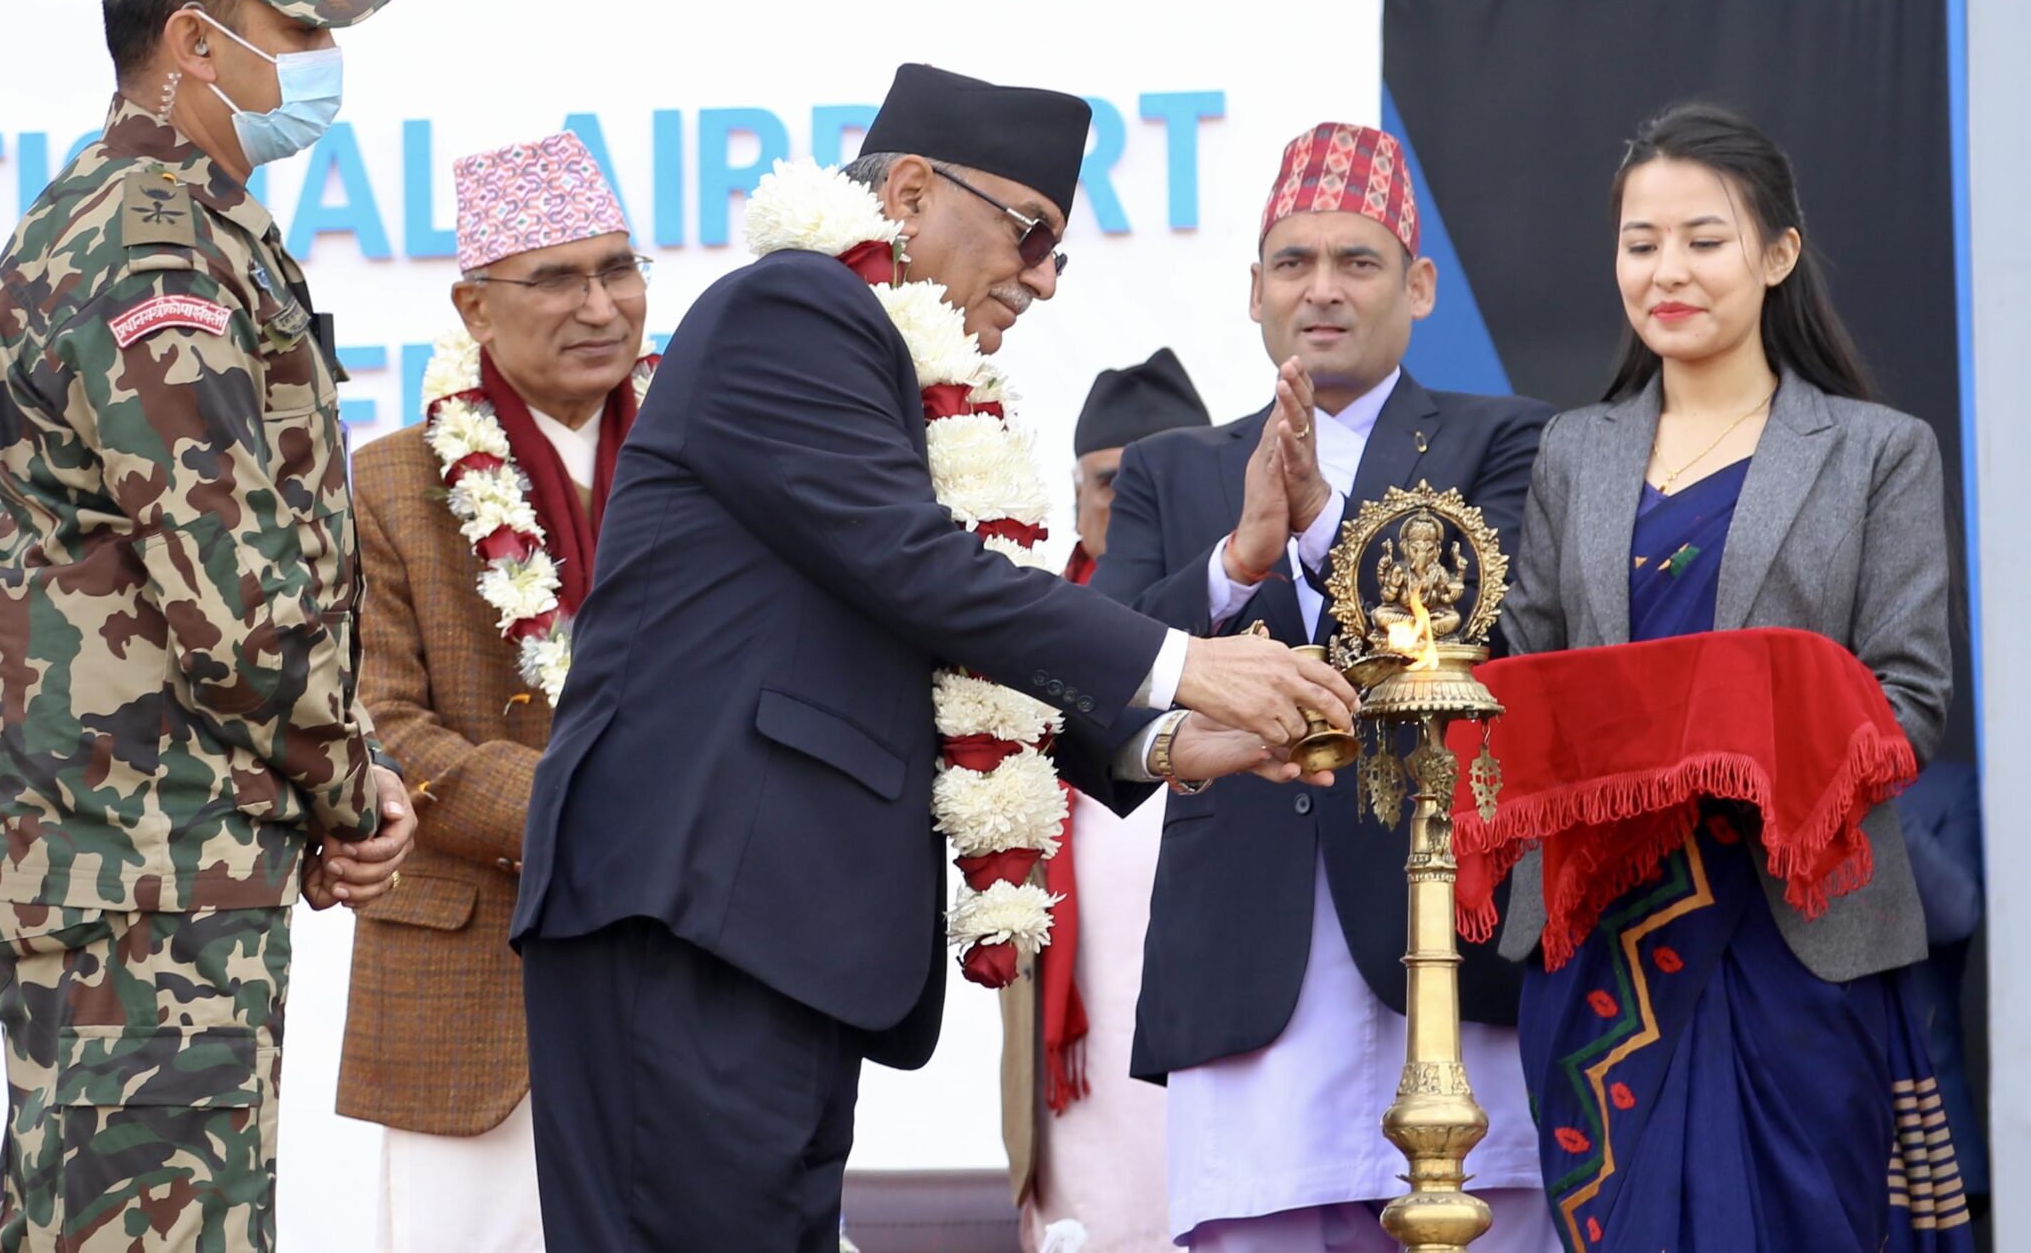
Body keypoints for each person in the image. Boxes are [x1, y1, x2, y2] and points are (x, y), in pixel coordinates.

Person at [510, 63, 1360, 1251]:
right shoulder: (793, 309)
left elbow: (933, 626)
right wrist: (1185, 665)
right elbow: (915, 568)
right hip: (691, 900)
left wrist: (1168, 740)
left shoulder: (892, 365)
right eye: (1030, 234)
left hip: (768, 926)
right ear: (909, 192)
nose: (1044, 279)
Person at [0, 0, 416, 1253]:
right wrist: (349, 790)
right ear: (195, 43)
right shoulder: (151, 244)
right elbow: (234, 587)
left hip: (155, 849)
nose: (322, 59)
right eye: (298, 27)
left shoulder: (181, 221)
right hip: (141, 859)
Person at [1497, 102, 1972, 1249]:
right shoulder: (1572, 452)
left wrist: (1760, 733)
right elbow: (1523, 674)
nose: (1666, 271)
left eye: (1703, 240)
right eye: (1640, 243)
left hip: (1793, 933)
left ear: (1776, 255)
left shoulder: (1877, 451)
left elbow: (1909, 702)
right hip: (1601, 937)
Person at [1094, 122, 1556, 1251]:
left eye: (1358, 261)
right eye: (1294, 262)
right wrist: (1235, 560)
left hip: (1445, 953)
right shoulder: (1171, 470)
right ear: (1255, 289)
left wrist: (1320, 529)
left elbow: (1492, 634)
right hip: (1246, 981)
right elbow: (1097, 688)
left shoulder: (1509, 441)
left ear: (1419, 286)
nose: (1323, 289)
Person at [335, 133, 653, 1253]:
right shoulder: (388, 483)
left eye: (618, 270)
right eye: (557, 279)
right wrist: (594, 811)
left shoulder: (709, 459)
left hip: (689, 960)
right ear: (474, 308)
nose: (600, 306)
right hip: (470, 977)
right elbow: (381, 726)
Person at [1003, 349, 1212, 1251]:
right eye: (1110, 483)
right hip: (1081, 1031)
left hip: (1224, 1001)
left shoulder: (1259, 630)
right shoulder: (1025, 639)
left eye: (1155, 483)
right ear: (1077, 497)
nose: (1130, 505)